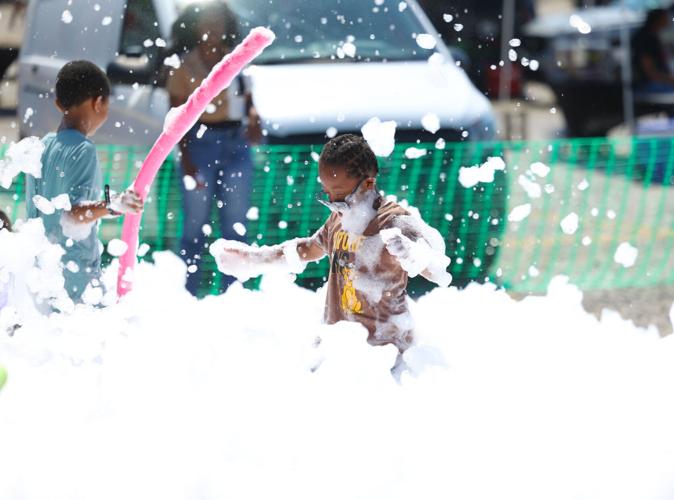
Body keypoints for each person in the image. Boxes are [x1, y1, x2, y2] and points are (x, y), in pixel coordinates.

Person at [210, 134, 452, 359]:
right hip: (337, 347)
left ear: (368, 184)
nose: (333, 202)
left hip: (385, 354)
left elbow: (438, 271)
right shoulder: (339, 220)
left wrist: (413, 255)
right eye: (326, 192)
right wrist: (253, 259)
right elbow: (305, 250)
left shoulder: (394, 221)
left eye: (338, 193)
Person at [25, 60, 143, 303]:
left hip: (40, 279)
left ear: (59, 104)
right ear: (98, 102)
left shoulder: (41, 147)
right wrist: (113, 205)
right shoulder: (83, 150)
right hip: (76, 283)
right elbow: (72, 216)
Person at [167, 1, 261, 296]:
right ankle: (190, 293)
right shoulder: (184, 66)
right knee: (194, 228)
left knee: (236, 227)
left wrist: (254, 117)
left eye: (218, 22)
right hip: (200, 144)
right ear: (196, 27)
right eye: (207, 22)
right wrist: (186, 160)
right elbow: (177, 120)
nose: (213, 28)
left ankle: (233, 293)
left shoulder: (237, 60)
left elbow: (247, 101)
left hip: (235, 143)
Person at [632, 9, 674, 94]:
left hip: (658, 82)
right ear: (658, 20)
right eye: (665, 18)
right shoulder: (646, 39)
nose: (668, 20)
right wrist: (670, 79)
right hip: (649, 85)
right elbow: (650, 72)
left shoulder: (651, 36)